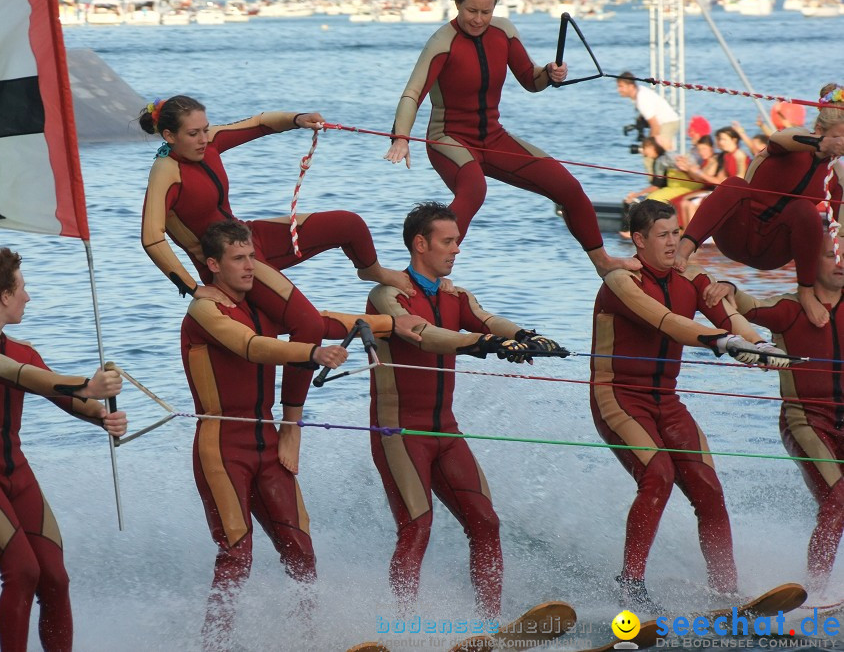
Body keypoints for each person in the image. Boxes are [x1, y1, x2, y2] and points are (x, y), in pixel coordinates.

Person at [140, 95, 413, 476]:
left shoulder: (211, 141)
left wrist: (299, 118)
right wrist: (193, 287)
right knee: (308, 325)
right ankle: (291, 425)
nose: (203, 138)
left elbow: (260, 122)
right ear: (169, 135)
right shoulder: (165, 171)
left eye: (204, 129)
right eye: (193, 134)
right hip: (230, 262)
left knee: (348, 224)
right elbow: (151, 238)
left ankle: (374, 272)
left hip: (247, 237)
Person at [181, 220, 424, 646]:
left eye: (252, 257)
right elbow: (250, 346)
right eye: (238, 259)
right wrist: (311, 352)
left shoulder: (259, 306)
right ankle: (212, 645)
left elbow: (323, 319)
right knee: (237, 556)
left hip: (268, 443)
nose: (249, 267)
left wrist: (389, 324)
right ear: (213, 265)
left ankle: (305, 640)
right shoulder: (204, 311)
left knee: (301, 555)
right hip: (222, 446)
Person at [366, 202, 568, 618]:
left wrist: (526, 336)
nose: (457, 249)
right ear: (420, 244)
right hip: (399, 434)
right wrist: (482, 345)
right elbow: (425, 336)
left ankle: (489, 625)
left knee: (485, 523)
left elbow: (487, 320)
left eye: (457, 241)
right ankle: (398, 628)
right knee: (417, 527)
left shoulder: (454, 294)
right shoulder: (387, 294)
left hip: (445, 432)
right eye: (448, 241)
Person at [590, 199, 787, 610]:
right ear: (638, 240)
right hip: (618, 398)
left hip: (666, 401)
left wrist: (761, 345)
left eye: (676, 233)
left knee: (709, 490)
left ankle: (725, 591)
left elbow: (732, 318)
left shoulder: (692, 279)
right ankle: (629, 583)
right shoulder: (620, 282)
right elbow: (665, 320)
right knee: (658, 473)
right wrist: (718, 341)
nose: (672, 242)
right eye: (662, 234)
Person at [383, 0, 638, 277]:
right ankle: (425, 274)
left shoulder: (503, 32)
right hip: (447, 138)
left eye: (486, 12)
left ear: (494, 8)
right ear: (458, 5)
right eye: (471, 11)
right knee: (475, 189)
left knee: (569, 188)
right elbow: (412, 93)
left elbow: (531, 79)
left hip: (493, 137)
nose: (478, 19)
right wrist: (401, 137)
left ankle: (603, 263)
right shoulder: (442, 42)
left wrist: (551, 72)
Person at [0, 247, 127, 652]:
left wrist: (101, 414)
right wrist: (84, 383)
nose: (28, 296)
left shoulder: (23, 350)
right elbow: (11, 373)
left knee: (55, 579)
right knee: (22, 570)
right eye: (22, 288)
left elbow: (57, 393)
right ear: (5, 295)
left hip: (17, 473)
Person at [709, 231, 844, 595]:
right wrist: (727, 286)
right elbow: (745, 304)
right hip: (806, 420)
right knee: (838, 501)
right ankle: (816, 594)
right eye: (832, 255)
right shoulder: (789, 308)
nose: (841, 262)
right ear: (809, 265)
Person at [674, 84, 844, 329]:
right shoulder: (792, 142)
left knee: (804, 209)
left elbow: (839, 232)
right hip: (738, 233)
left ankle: (806, 292)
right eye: (839, 137)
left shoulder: (836, 174)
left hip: (772, 250)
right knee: (735, 184)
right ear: (819, 130)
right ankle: (684, 250)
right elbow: (778, 138)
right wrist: (821, 144)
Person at [616, 72, 681, 157]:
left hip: (667, 123)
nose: (618, 90)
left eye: (621, 86)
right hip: (667, 122)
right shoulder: (639, 92)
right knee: (653, 152)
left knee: (654, 153)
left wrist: (648, 145)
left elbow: (655, 126)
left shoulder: (641, 100)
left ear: (631, 86)